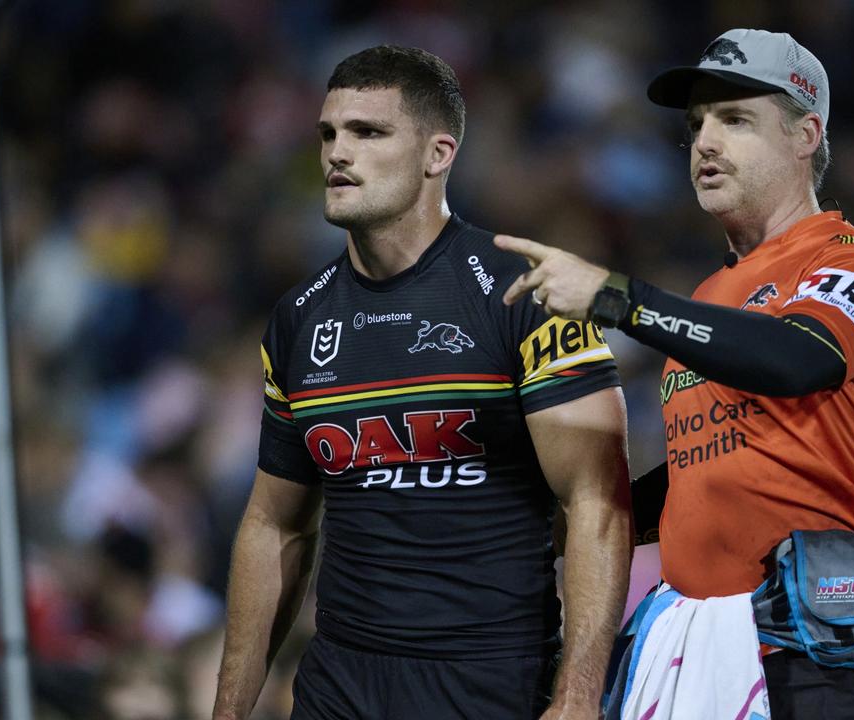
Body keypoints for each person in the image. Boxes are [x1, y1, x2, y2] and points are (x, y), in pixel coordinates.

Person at [496, 28, 854, 718]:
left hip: (814, 657)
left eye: (736, 120)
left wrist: (616, 298)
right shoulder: (707, 299)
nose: (705, 142)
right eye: (697, 125)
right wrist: (568, 518)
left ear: (805, 134)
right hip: (696, 645)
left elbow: (796, 358)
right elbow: (710, 468)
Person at [211, 45, 633, 720]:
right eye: (328, 133)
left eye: (367, 132)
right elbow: (274, 526)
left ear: (438, 155)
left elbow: (597, 504)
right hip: (340, 684)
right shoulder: (298, 318)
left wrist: (578, 697)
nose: (336, 153)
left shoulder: (524, 293)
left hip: (491, 682)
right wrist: (230, 711)